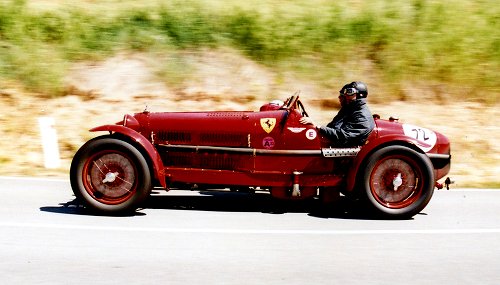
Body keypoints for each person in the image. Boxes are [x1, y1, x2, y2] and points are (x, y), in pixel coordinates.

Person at [299, 81, 375, 147]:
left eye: (350, 92)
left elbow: (343, 136)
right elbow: (334, 127)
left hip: (343, 149)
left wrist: (318, 126)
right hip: (334, 142)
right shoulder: (350, 109)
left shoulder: (361, 116)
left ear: (360, 95)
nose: (345, 95)